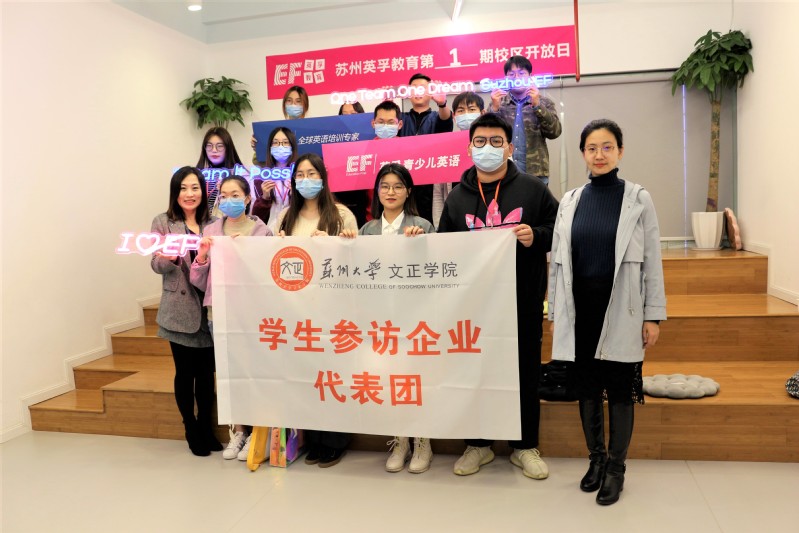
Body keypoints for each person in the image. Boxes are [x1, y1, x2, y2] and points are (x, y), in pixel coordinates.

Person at [548, 119, 666, 505]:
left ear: (620, 151)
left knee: (619, 389)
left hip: (622, 310)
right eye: (592, 148)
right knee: (586, 389)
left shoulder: (638, 198)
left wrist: (652, 315)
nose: (599, 155)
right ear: (583, 153)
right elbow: (558, 263)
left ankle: (616, 469)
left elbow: (653, 262)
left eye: (607, 147)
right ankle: (596, 460)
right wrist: (555, 313)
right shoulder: (570, 200)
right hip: (580, 311)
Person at [438, 113, 558, 480]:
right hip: (473, 306)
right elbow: (443, 248)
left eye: (495, 142)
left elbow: (559, 230)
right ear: (469, 147)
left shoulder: (534, 189)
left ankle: (526, 447)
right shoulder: (457, 197)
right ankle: (479, 445)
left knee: (525, 372)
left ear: (509, 147)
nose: (487, 148)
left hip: (523, 300)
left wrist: (537, 235)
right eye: (479, 141)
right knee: (475, 372)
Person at [341, 163, 435, 472]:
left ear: (408, 191)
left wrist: (421, 243)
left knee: (416, 379)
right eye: (385, 186)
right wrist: (347, 244)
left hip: (414, 319)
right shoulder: (367, 230)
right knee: (391, 381)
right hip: (380, 321)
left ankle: (423, 441)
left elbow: (437, 268)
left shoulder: (422, 224)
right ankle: (400, 440)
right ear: (377, 192)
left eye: (397, 186)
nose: (391, 192)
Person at [276, 153, 357, 467]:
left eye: (312, 174)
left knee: (332, 375)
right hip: (296, 309)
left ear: (323, 179)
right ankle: (314, 438)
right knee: (307, 374)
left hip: (333, 309)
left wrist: (336, 243)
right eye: (300, 174)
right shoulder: (286, 216)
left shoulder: (341, 214)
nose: (306, 180)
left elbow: (357, 261)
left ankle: (336, 440)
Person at [189, 174, 272, 462]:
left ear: (248, 198)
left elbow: (268, 275)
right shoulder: (211, 230)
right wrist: (202, 256)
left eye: (235, 195)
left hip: (252, 313)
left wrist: (246, 252)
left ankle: (257, 432)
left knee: (254, 371)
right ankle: (238, 431)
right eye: (223, 196)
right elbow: (199, 281)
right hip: (219, 312)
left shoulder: (262, 232)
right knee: (228, 373)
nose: (229, 200)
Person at [150, 166, 219, 457]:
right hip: (179, 308)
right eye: (183, 188)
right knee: (185, 373)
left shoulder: (214, 223)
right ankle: (190, 427)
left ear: (203, 191)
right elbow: (155, 264)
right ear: (174, 192)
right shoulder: (163, 222)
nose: (189, 194)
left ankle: (206, 427)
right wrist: (166, 258)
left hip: (210, 306)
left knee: (206, 374)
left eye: (194, 188)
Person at [490, 55, 561, 186]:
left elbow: (555, 132)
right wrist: (494, 109)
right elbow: (488, 135)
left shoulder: (544, 102)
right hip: (503, 173)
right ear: (506, 78)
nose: (517, 78)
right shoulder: (498, 103)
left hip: (536, 174)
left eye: (521, 73)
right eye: (511, 74)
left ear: (530, 76)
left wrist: (537, 105)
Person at [398, 73, 454, 223]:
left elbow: (446, 123)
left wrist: (442, 104)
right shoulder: (401, 119)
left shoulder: (437, 116)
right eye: (414, 88)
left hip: (431, 182)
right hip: (405, 179)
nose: (418, 92)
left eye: (422, 88)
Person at [432, 91, 486, 228]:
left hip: (487, 216)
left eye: (472, 109)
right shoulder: (446, 146)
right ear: (454, 117)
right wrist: (439, 226)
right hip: (456, 217)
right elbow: (438, 193)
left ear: (482, 113)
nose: (466, 114)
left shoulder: (494, 143)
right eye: (461, 110)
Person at [251, 127, 298, 230]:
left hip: (294, 230)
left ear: (292, 147)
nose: (280, 146)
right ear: (270, 147)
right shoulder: (262, 177)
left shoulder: (299, 175)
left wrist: (295, 195)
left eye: (285, 142)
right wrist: (265, 198)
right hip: (269, 232)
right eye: (275, 143)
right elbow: (256, 218)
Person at [196, 127, 248, 215]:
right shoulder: (199, 174)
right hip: (201, 221)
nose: (214, 150)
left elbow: (248, 207)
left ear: (228, 148)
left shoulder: (240, 174)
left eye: (220, 146)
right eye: (209, 146)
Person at [336, 101, 370, 226]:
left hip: (363, 199)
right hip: (340, 200)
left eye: (353, 114)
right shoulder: (334, 141)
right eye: (344, 115)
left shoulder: (369, 139)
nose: (349, 118)